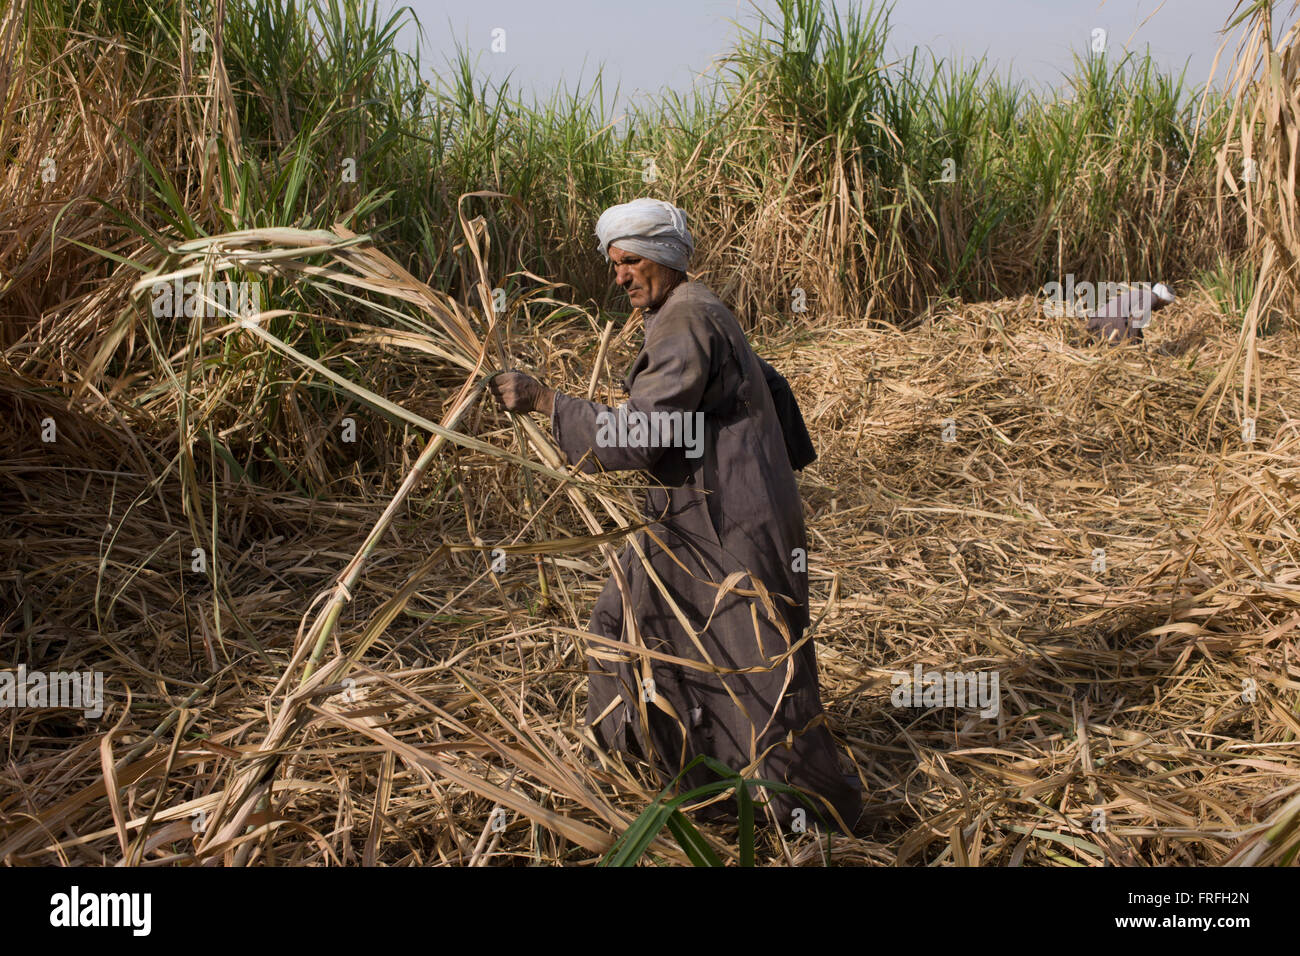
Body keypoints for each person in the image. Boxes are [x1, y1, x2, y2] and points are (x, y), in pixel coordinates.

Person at [489, 198, 862, 832]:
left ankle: (815, 812)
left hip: (728, 524)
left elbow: (642, 436)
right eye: (614, 265)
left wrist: (549, 402)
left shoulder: (685, 319)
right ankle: (668, 773)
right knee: (630, 621)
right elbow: (770, 389)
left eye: (631, 261)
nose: (621, 277)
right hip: (700, 514)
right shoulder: (696, 307)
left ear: (663, 257)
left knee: (758, 666)